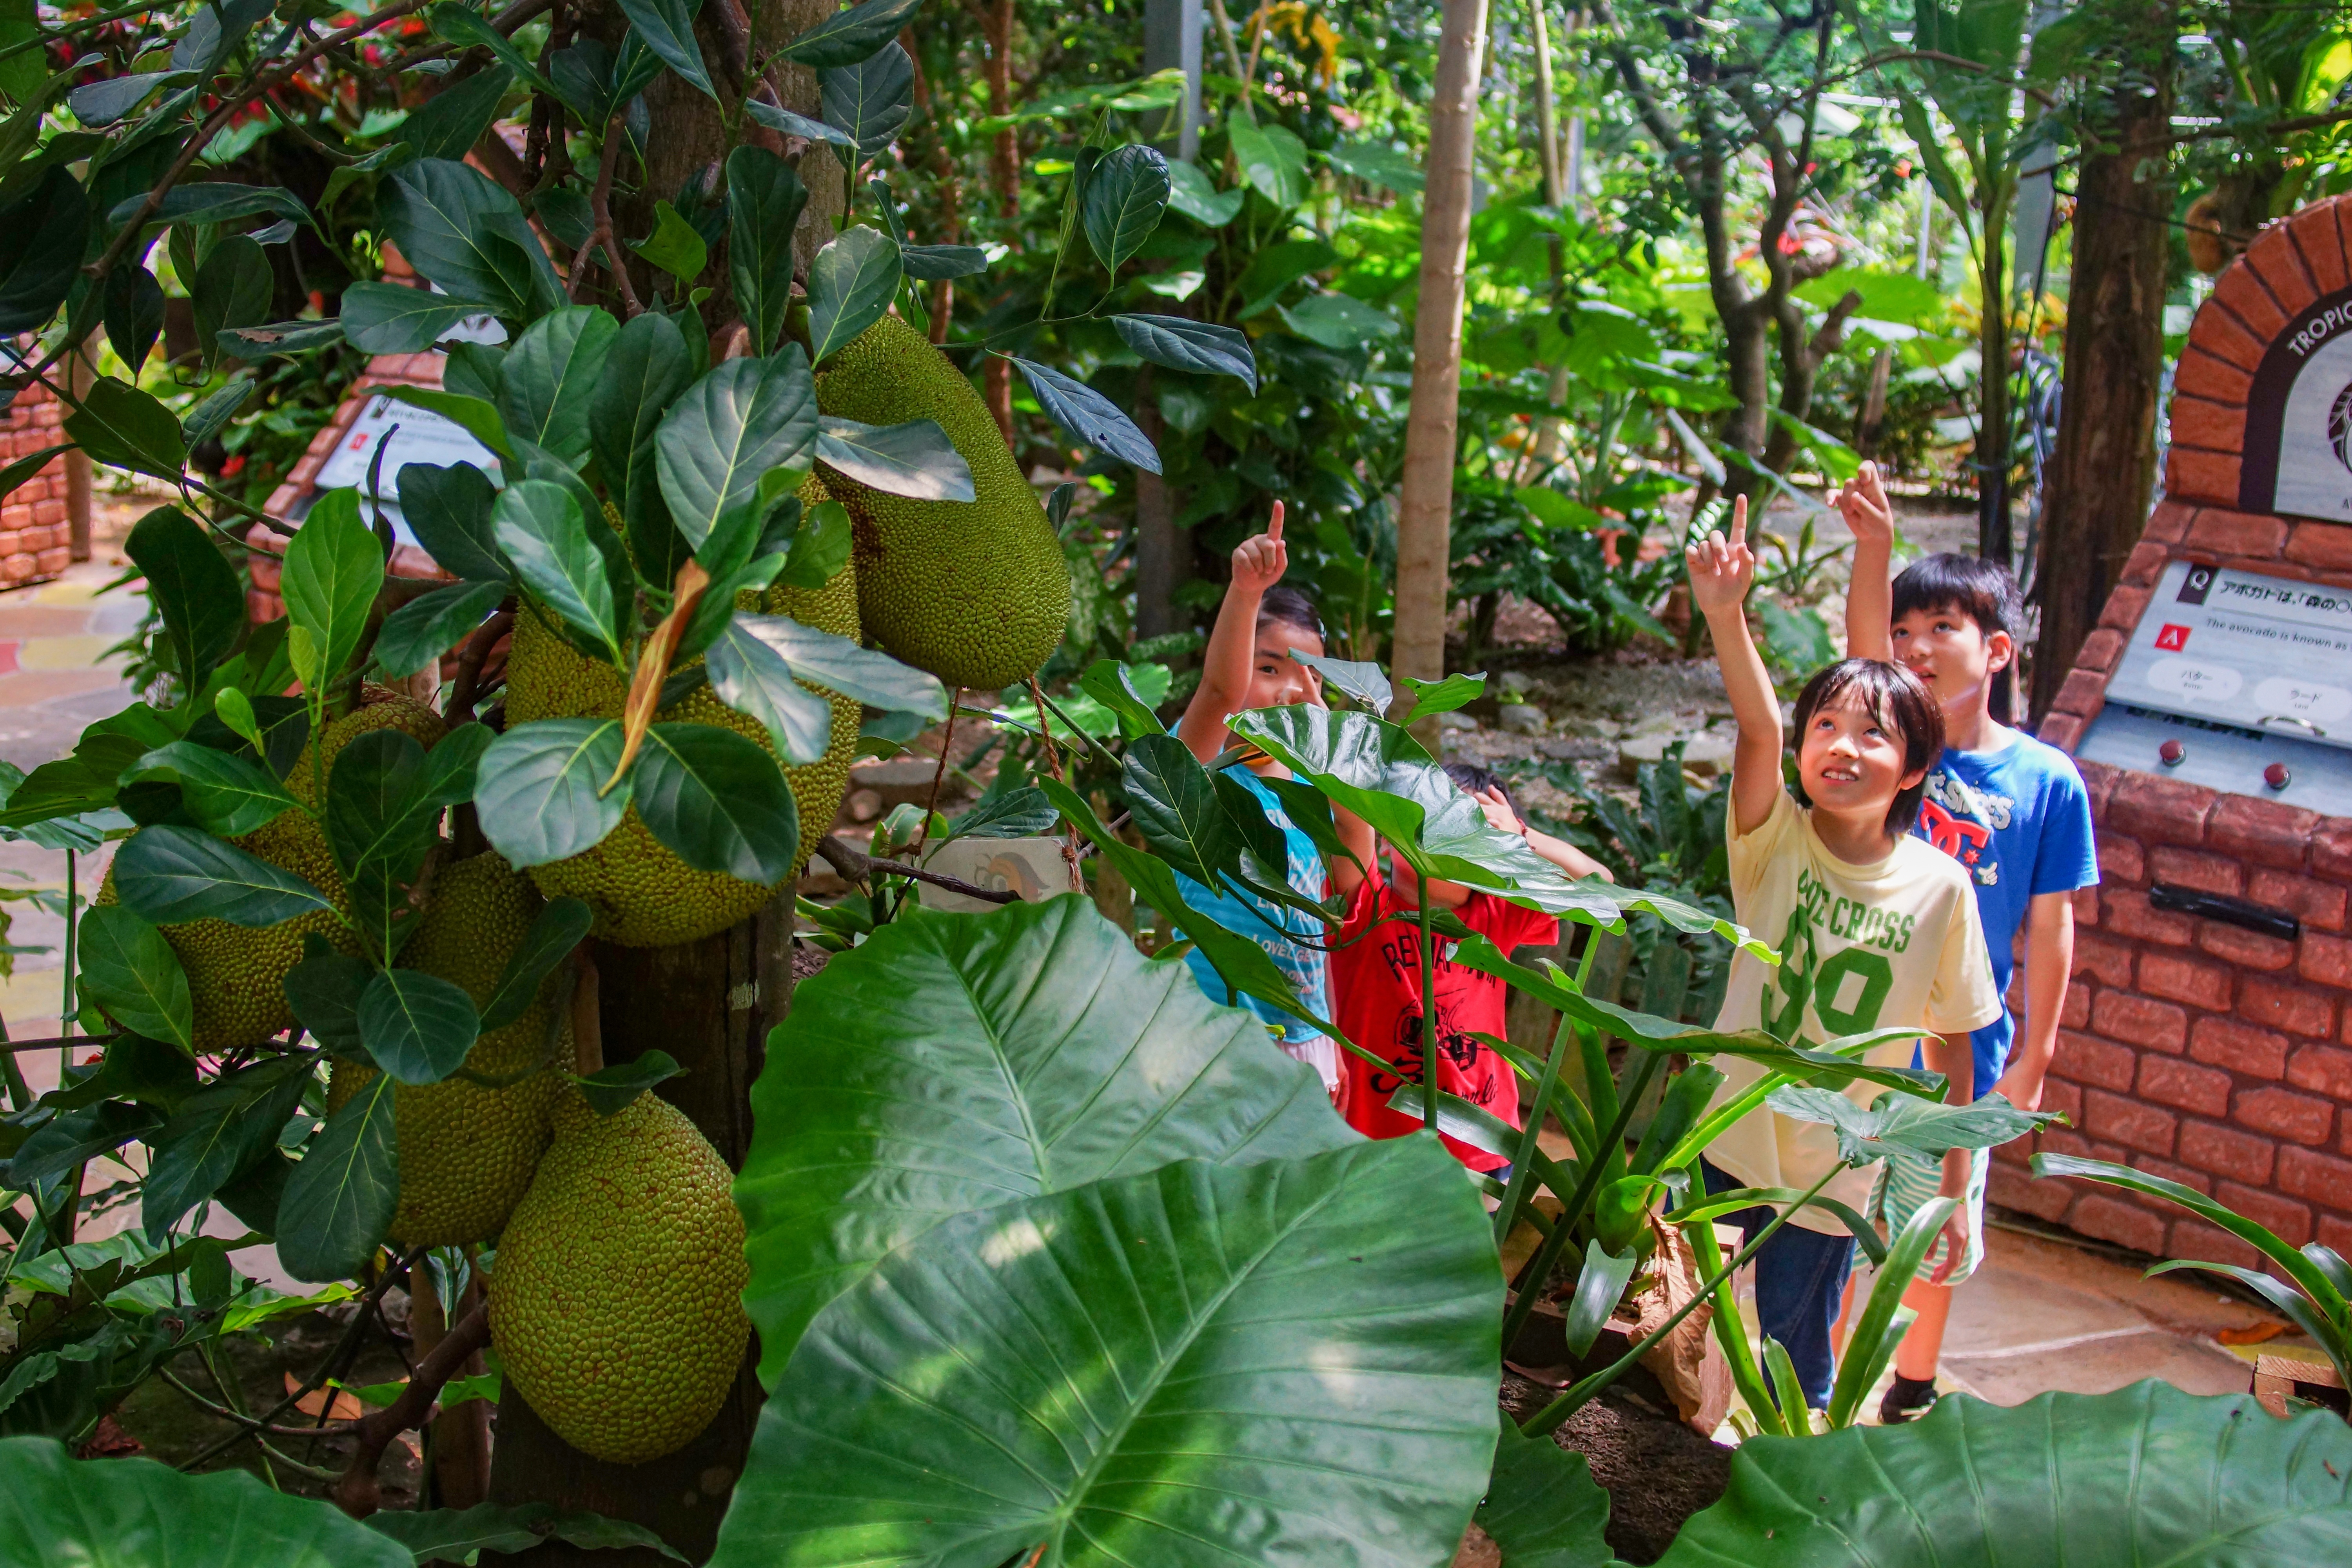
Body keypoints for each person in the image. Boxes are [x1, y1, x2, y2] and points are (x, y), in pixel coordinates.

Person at [1688, 496, 2004, 1414]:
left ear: (1912, 769)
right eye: (1826, 725)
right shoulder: (1771, 837)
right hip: (1725, 1131)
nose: (1843, 745)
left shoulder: (1943, 887)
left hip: (1835, 1163)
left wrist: (1948, 1185)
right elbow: (1756, 729)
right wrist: (1723, 612)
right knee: (1674, 1314)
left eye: (1873, 733)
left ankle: (1793, 1495)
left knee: (1798, 1357)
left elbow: (1953, 1044)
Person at [1833, 460, 2099, 1422]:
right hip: (1862, 1030)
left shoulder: (2048, 781)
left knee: (1932, 1229)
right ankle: (1827, 1388)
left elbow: (2052, 923)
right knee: (1840, 1221)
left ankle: (1910, 1381)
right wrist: (1874, 548)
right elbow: (1863, 647)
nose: (1913, 647)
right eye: (1905, 632)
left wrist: (2036, 1057)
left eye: (1941, 628)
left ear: (1997, 652)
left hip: (1966, 1054)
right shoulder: (1895, 750)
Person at [1327, 762, 1612, 1173]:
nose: (1445, 835)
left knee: (1487, 1239)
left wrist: (1523, 838)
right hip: (1374, 1147)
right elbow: (1350, 816)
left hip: (1483, 1144)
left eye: (1467, 827)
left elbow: (1601, 887)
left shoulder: (1500, 914)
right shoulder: (1365, 904)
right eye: (1428, 817)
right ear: (1387, 839)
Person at [1173, 503, 1342, 1093]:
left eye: (1313, 675)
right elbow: (1221, 690)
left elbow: (1331, 910)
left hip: (1304, 1039)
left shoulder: (1314, 787)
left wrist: (1332, 1037)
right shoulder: (1199, 765)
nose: (1295, 687)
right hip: (1207, 1036)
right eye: (1269, 667)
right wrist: (1246, 592)